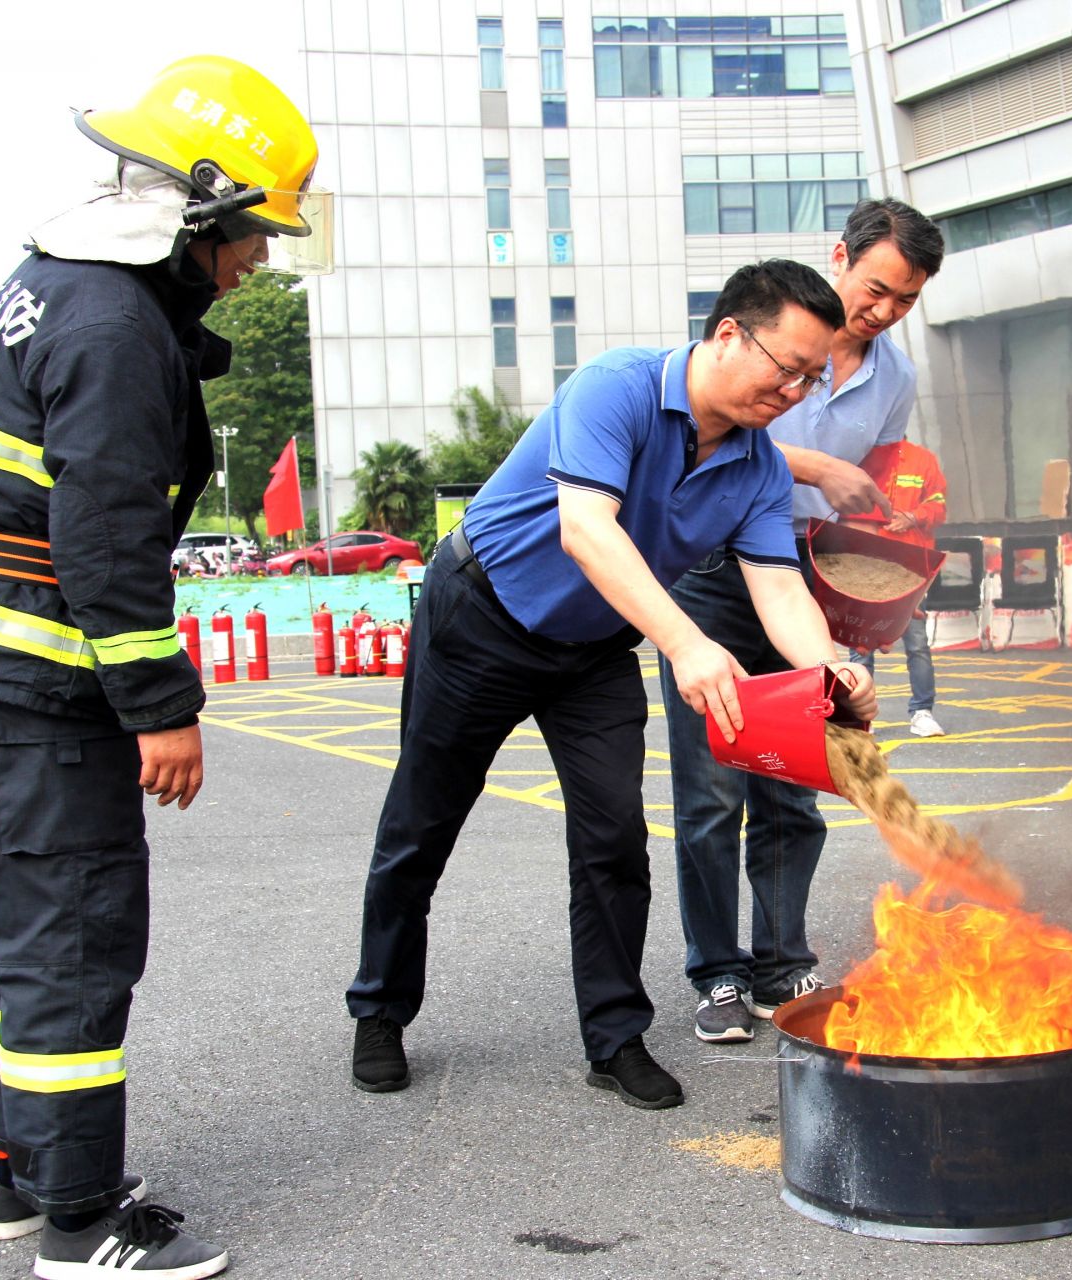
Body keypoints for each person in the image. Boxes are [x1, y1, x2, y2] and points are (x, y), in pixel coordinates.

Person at [0, 56, 329, 1280]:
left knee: (10, 940)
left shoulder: (47, 286)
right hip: (41, 687)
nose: (256, 260)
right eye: (250, 233)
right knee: (74, 942)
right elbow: (104, 538)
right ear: (197, 212)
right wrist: (162, 704)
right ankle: (84, 1221)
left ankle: (21, 1174)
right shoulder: (111, 328)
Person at [345, 260, 879, 1108]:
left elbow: (779, 588)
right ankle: (379, 1009)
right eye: (788, 369)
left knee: (614, 842)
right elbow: (586, 531)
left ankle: (614, 1036)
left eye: (811, 380)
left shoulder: (760, 470)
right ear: (730, 333)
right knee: (423, 821)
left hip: (591, 653)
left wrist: (831, 667)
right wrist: (688, 643)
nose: (795, 391)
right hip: (481, 616)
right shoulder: (617, 388)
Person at [659, 199, 945, 1046]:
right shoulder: (766, 334)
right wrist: (813, 462)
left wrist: (883, 561)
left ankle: (782, 960)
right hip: (713, 572)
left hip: (810, 581)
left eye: (905, 301)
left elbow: (873, 497)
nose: (884, 311)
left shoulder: (895, 380)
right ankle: (716, 972)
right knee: (712, 790)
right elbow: (706, 434)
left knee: (795, 788)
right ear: (840, 257)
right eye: (876, 287)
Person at [846, 436, 950, 736]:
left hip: (913, 566)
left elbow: (939, 505)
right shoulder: (861, 454)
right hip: (867, 565)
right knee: (861, 646)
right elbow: (845, 506)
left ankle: (922, 712)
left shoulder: (923, 458)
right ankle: (859, 717)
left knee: (916, 643)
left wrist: (913, 517)